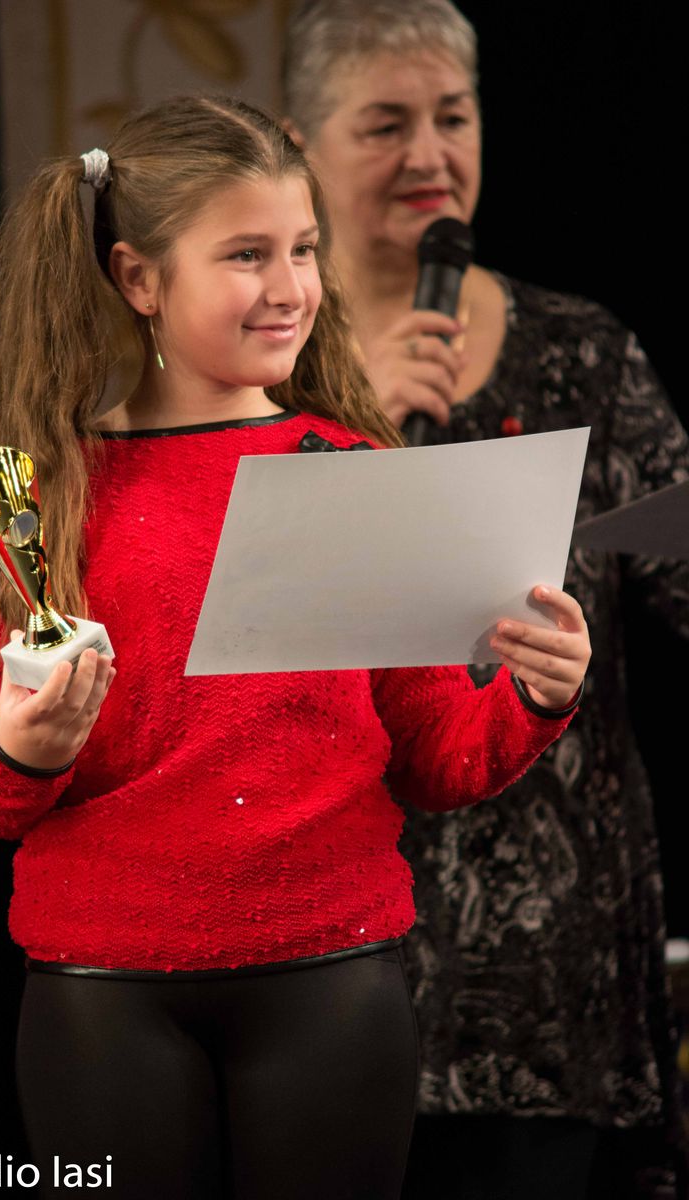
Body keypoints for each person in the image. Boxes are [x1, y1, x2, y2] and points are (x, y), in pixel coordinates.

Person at [0, 95, 590, 1200]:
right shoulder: (45, 493)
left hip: (331, 976)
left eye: (302, 249)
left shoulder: (351, 468)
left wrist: (532, 696)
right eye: (246, 254)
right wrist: (24, 750)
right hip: (103, 988)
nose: (289, 287)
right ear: (139, 278)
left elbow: (433, 756)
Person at [281, 3, 689, 1197]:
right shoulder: (249, 372)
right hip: (319, 949)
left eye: (451, 118)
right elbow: (220, 630)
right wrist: (348, 422)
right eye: (384, 124)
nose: (428, 155)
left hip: (546, 967)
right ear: (300, 147)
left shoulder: (578, 350)